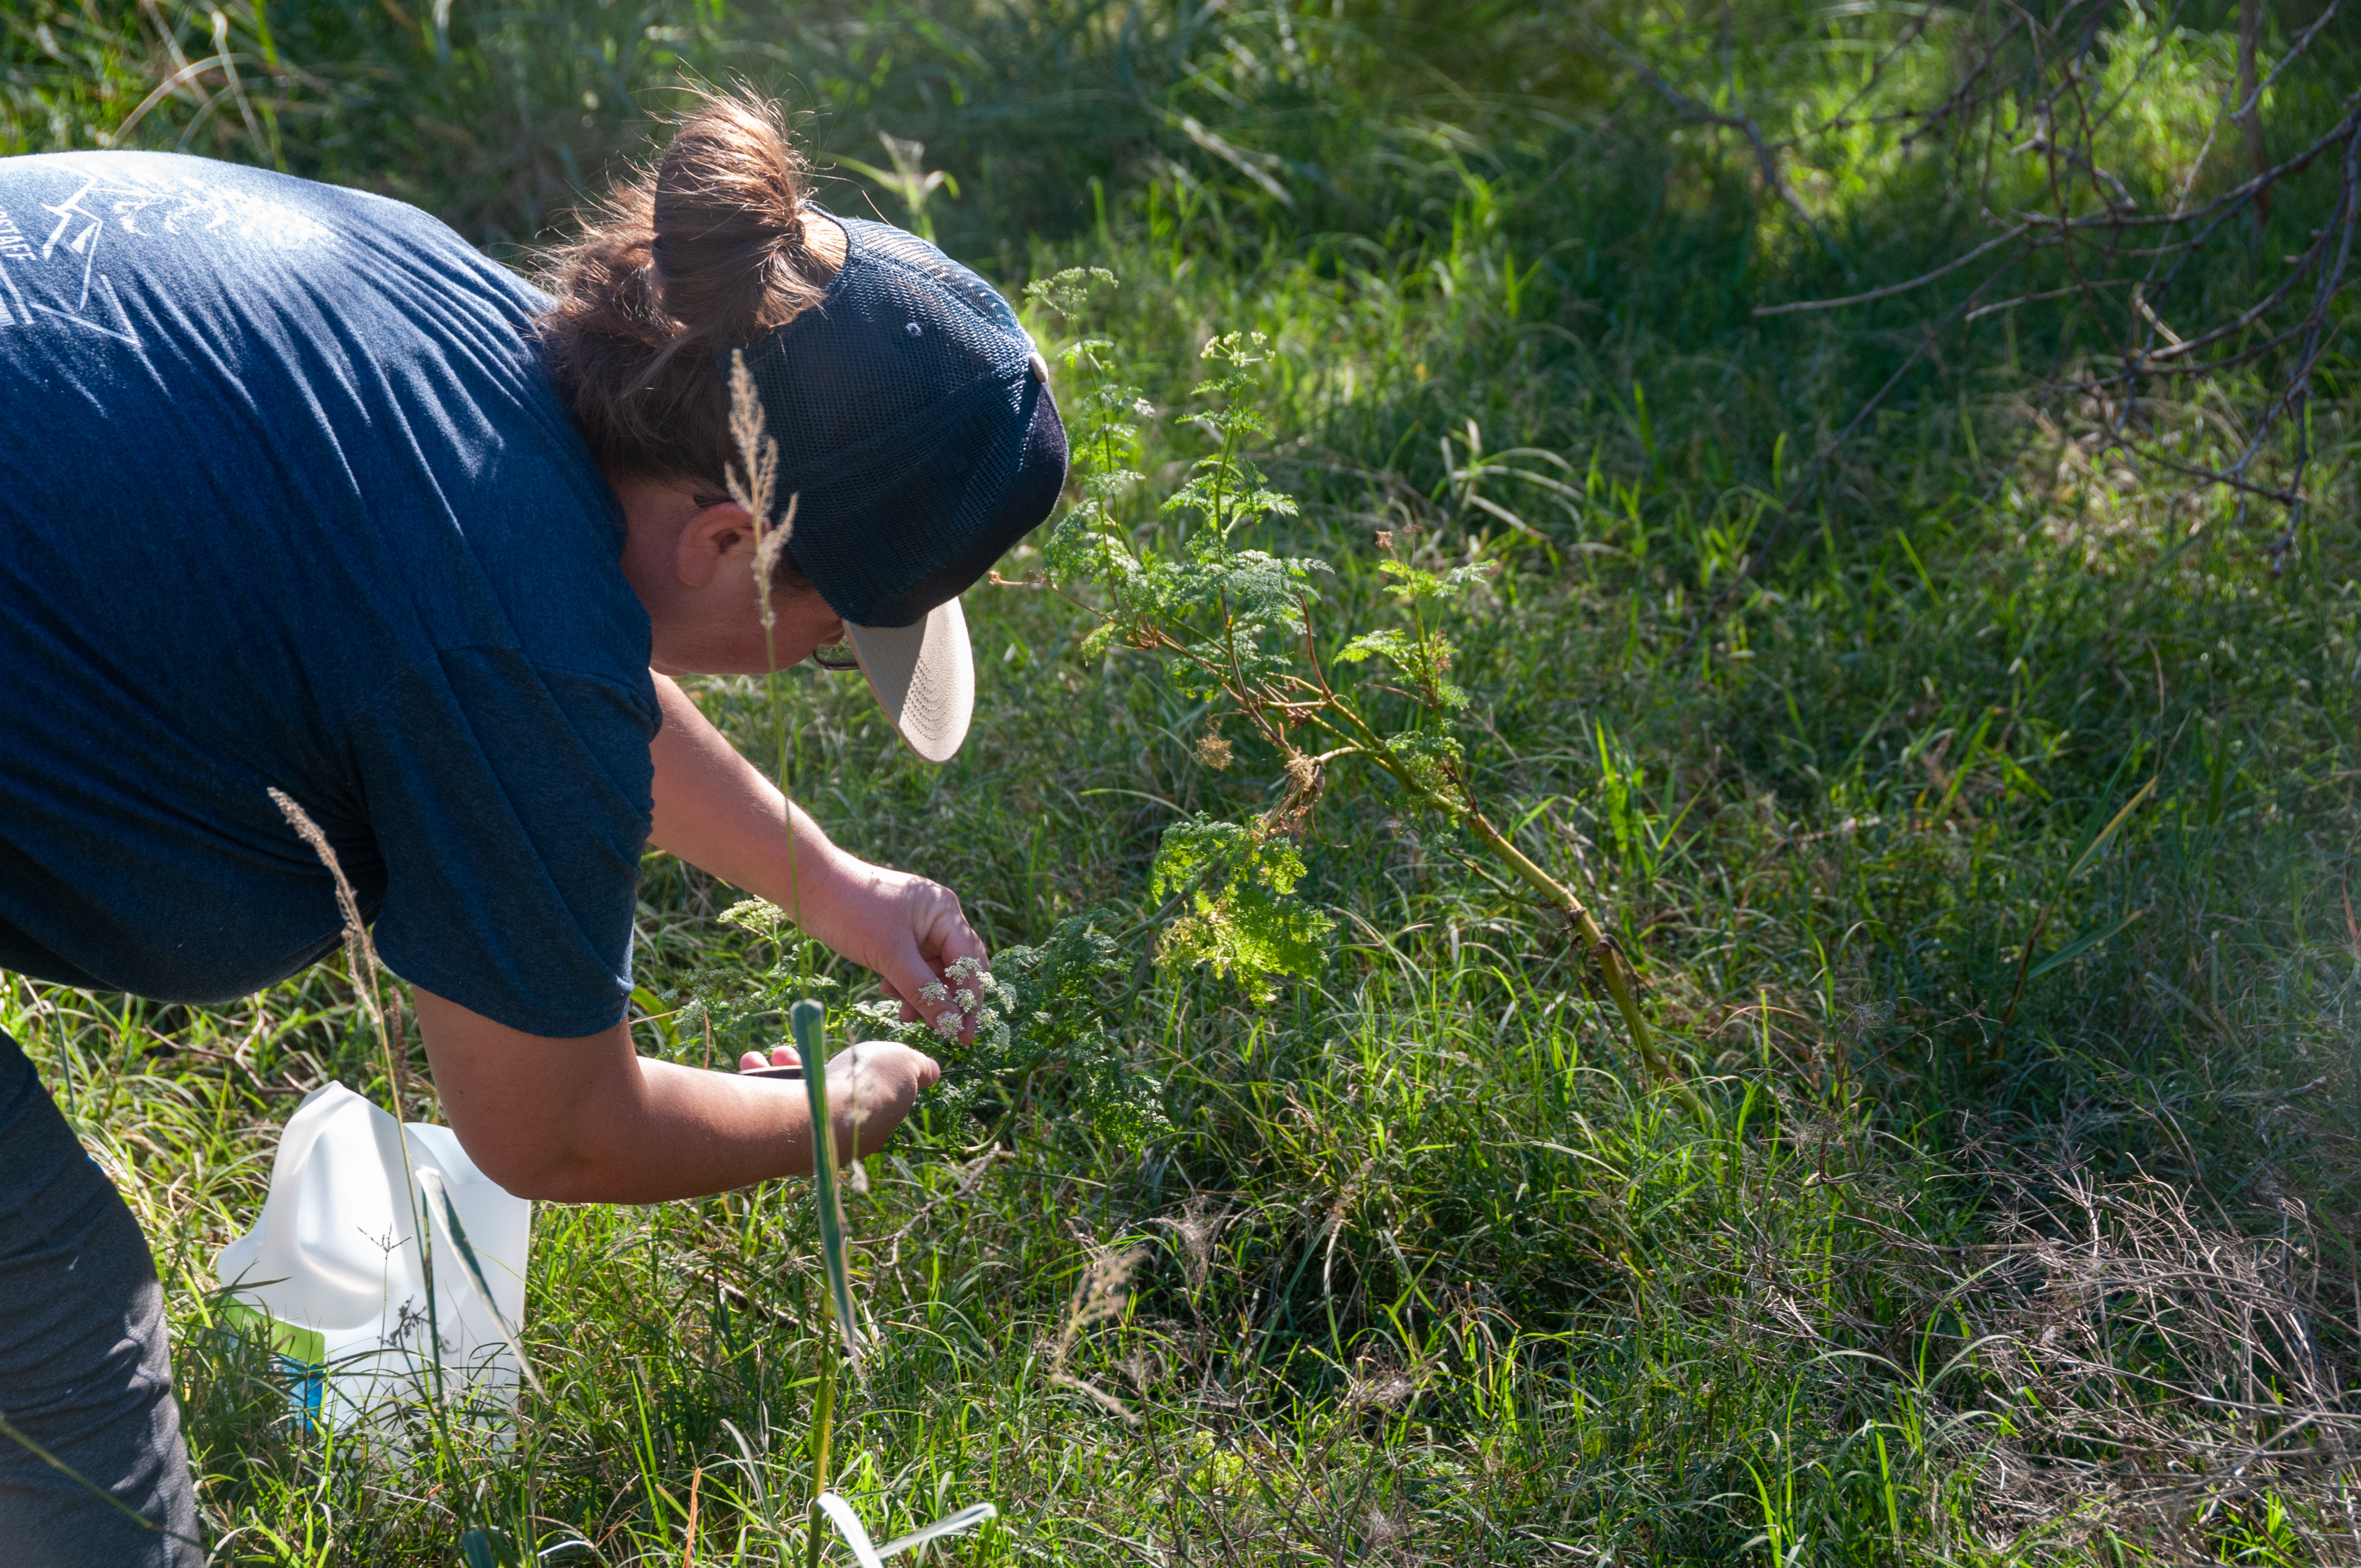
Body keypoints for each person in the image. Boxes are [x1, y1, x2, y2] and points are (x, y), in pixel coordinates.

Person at [0, 91, 1062, 1564]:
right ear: (726, 544)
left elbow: (528, 636)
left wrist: (828, 883)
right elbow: (553, 1128)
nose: (815, 663)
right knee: (47, 1316)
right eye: (832, 633)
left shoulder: (468, 336)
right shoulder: (511, 634)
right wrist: (830, 1120)